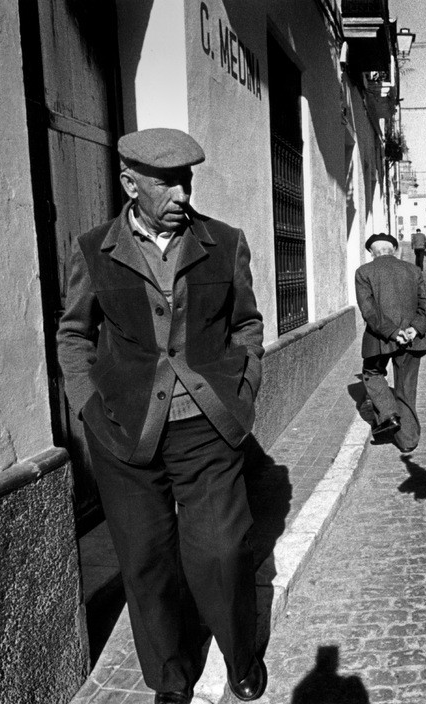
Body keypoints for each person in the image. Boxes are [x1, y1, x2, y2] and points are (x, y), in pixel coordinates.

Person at [57, 128, 268, 704]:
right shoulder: (92, 249)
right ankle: (171, 678)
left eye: (187, 181)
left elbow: (247, 324)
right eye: (167, 183)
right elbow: (74, 334)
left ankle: (240, 654)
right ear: (130, 184)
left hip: (208, 426)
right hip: (123, 430)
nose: (182, 194)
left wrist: (244, 388)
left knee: (222, 551)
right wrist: (87, 407)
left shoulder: (224, 242)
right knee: (146, 562)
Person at [354, 233, 426, 453]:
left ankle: (389, 414)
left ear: (371, 252)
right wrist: (414, 328)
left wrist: (392, 332)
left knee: (372, 373)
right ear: (394, 249)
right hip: (412, 339)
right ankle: (408, 441)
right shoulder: (413, 270)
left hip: (379, 339)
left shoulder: (364, 272)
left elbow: (369, 311)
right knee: (406, 388)